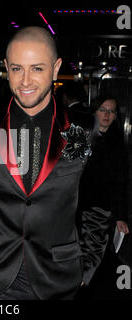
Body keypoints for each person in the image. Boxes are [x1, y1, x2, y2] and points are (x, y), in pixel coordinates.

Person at [0, 26, 108, 300]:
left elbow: (98, 204)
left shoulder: (84, 127)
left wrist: (87, 267)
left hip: (57, 278)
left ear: (56, 69)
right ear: (6, 68)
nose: (25, 80)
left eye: (37, 69)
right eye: (17, 68)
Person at [76, 95, 129, 299]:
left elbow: (121, 182)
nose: (107, 115)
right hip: (76, 207)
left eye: (112, 111)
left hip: (101, 210)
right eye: (103, 109)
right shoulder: (81, 138)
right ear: (94, 111)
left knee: (97, 259)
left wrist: (120, 215)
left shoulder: (117, 144)